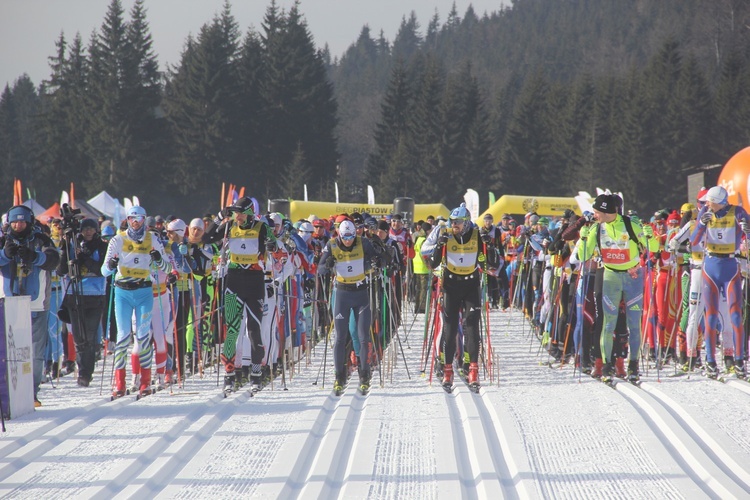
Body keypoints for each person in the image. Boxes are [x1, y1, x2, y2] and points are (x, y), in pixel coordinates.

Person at [577, 194, 659, 384]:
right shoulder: (597, 229)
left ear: (608, 212)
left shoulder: (631, 225)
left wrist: (650, 235)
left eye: (598, 211)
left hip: (633, 277)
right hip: (610, 276)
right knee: (608, 323)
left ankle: (633, 366)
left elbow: (654, 247)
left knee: (633, 324)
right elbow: (583, 255)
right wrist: (583, 239)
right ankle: (606, 367)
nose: (595, 215)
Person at [203, 196, 274, 393]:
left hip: (254, 281)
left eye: (241, 212)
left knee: (254, 329)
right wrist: (219, 218)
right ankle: (229, 375)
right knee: (232, 330)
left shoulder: (261, 227)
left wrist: (271, 246)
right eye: (235, 212)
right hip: (233, 281)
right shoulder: (229, 226)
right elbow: (206, 239)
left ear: (250, 212)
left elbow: (273, 244)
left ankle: (256, 374)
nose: (238, 216)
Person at [101, 205, 170, 399]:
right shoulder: (117, 240)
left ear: (144, 219)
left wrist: (158, 259)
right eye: (132, 218)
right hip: (123, 292)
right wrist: (111, 265)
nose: (136, 222)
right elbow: (104, 271)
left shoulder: (153, 239)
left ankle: (145, 383)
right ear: (128, 220)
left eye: (139, 218)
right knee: (123, 337)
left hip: (144, 292)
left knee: (142, 336)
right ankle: (120, 384)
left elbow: (168, 266)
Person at [428, 203, 498, 390]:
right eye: (452, 221)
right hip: (451, 285)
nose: (454, 225)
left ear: (466, 223)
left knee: (471, 326)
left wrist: (489, 244)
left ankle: (473, 370)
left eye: (457, 222)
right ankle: (448, 370)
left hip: (471, 285)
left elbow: (493, 263)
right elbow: (433, 263)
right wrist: (439, 245)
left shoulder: (477, 235)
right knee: (450, 329)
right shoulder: (447, 235)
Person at [0, 205, 60, 406]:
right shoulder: (3, 239)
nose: (19, 225)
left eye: (23, 221)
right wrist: (5, 255)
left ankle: (32, 391)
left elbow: (54, 260)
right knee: (8, 351)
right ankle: (8, 392)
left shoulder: (40, 239)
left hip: (36, 303)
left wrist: (35, 257)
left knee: (35, 352)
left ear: (30, 221)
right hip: (8, 302)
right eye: (15, 222)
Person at [690, 185, 750, 378]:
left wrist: (747, 230)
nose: (706, 204)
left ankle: (739, 361)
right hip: (711, 267)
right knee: (711, 316)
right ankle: (710, 361)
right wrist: (701, 225)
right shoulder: (705, 213)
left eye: (709, 201)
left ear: (718, 202)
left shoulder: (738, 212)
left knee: (735, 316)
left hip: (731, 266)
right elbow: (693, 242)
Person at [318, 220, 382, 395]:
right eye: (345, 237)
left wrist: (375, 262)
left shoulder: (363, 242)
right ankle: (339, 376)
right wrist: (328, 265)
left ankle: (364, 374)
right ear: (339, 235)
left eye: (351, 237)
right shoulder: (331, 244)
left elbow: (378, 259)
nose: (348, 241)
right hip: (342, 295)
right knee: (340, 336)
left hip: (361, 294)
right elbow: (320, 269)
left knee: (362, 336)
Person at [57, 218, 108, 387]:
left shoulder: (102, 246)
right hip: (75, 295)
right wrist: (65, 250)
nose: (88, 232)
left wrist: (84, 258)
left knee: (90, 336)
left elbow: (101, 269)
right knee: (79, 338)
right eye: (85, 228)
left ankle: (87, 372)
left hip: (95, 295)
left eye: (91, 229)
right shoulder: (73, 244)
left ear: (96, 230)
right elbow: (61, 270)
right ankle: (83, 372)